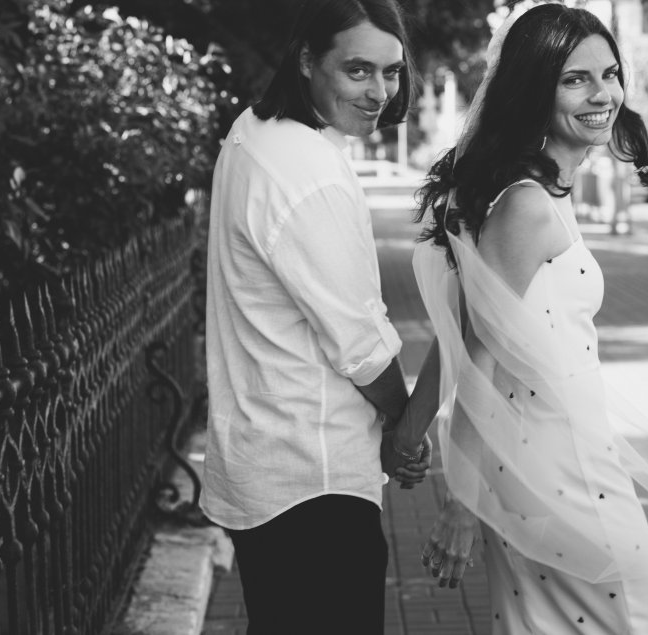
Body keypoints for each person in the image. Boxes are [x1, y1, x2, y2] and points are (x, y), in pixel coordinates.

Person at [411, 3, 648, 633]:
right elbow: (480, 352)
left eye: (609, 74)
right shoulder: (527, 206)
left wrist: (412, 433)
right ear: (535, 90)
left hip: (559, 462)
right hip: (556, 475)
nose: (603, 94)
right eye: (575, 79)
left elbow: (466, 327)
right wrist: (461, 499)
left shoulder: (537, 194)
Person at [200, 1, 439, 632]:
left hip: (273, 466)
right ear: (307, 58)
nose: (379, 91)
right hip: (314, 481)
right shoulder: (308, 171)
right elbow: (359, 342)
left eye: (391, 71)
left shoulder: (255, 130)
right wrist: (404, 427)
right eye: (358, 69)